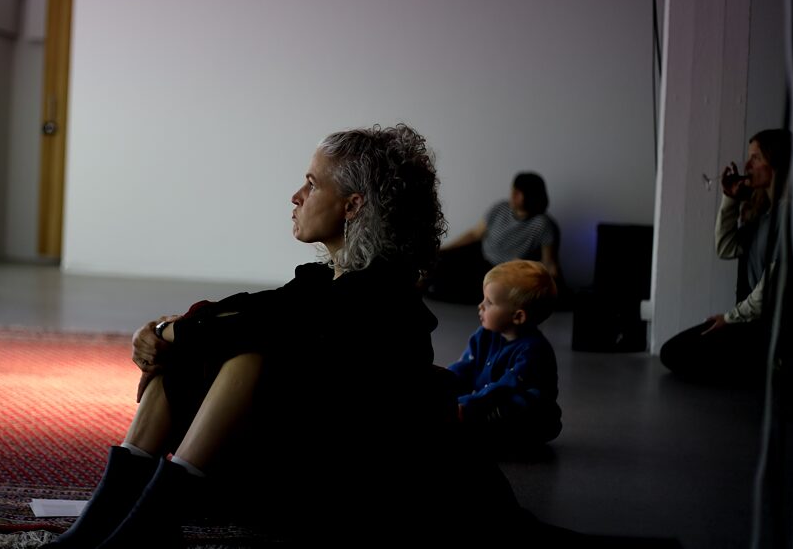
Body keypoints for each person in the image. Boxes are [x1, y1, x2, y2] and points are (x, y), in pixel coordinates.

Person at [43, 124, 523, 548]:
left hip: (339, 486)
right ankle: (111, 526)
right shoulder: (322, 283)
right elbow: (249, 308)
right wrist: (166, 334)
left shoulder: (380, 297)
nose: (296, 196)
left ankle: (148, 522)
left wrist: (174, 334)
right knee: (206, 348)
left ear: (353, 205)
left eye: (312, 185)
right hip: (294, 460)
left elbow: (262, 329)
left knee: (246, 353)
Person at [659, 128, 793, 384]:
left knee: (677, 354)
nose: (747, 165)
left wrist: (730, 319)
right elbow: (726, 247)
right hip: (752, 323)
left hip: (771, 328)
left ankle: (774, 365)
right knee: (673, 351)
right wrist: (730, 200)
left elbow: (773, 286)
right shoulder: (765, 215)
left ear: (776, 162)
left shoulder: (789, 216)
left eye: (756, 158)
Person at [448, 260, 562, 454]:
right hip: (486, 401)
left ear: (518, 317)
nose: (480, 306)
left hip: (522, 415)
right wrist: (442, 383)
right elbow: (466, 366)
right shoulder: (484, 334)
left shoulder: (533, 350)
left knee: (510, 410)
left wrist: (468, 405)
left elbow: (504, 389)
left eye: (489, 303)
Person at [425, 172, 564, 304]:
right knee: (438, 261)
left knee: (476, 289)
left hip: (503, 271)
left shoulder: (543, 224)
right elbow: (475, 234)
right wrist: (443, 249)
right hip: (479, 254)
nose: (513, 195)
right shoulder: (501, 208)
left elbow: (549, 263)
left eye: (518, 192)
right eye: (513, 191)